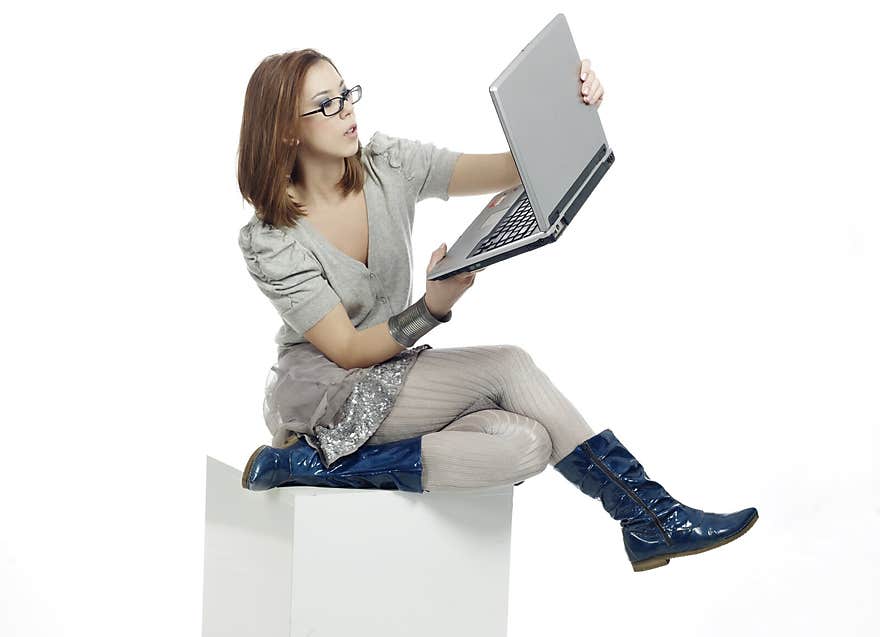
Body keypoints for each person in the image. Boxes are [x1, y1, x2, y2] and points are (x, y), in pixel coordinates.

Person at [236, 48, 758, 572]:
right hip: (324, 393)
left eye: (346, 94)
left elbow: (517, 170)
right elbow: (347, 350)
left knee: (526, 444)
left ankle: (318, 469)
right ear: (286, 132)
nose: (347, 110)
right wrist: (430, 309)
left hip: (394, 375)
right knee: (508, 364)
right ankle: (650, 515)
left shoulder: (387, 165)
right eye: (325, 105)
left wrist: (573, 109)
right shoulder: (271, 241)